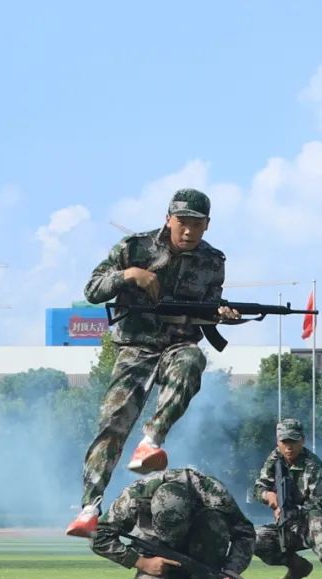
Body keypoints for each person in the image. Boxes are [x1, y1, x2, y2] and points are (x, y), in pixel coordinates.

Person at [66, 188, 238, 536]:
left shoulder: (213, 261)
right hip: (136, 347)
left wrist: (223, 316)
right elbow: (92, 289)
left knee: (192, 360)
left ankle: (152, 440)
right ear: (168, 219)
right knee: (112, 424)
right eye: (183, 223)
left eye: (197, 224)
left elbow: (206, 312)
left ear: (208, 225)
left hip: (178, 344)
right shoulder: (135, 247)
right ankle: (89, 507)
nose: (189, 231)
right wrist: (131, 274)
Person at [89, 467, 256, 579]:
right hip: (158, 556)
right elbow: (98, 535)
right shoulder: (134, 496)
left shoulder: (213, 494)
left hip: (203, 551)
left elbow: (244, 532)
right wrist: (141, 562)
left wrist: (231, 569)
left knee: (214, 521)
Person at [251, 418, 322, 579]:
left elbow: (320, 503)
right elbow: (258, 489)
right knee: (255, 538)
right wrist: (268, 496)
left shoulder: (314, 466)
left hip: (313, 523)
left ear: (302, 440)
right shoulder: (274, 460)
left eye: (294, 441)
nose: (289, 447)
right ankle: (297, 566)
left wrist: (289, 510)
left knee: (318, 521)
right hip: (288, 524)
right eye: (284, 441)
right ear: (278, 441)